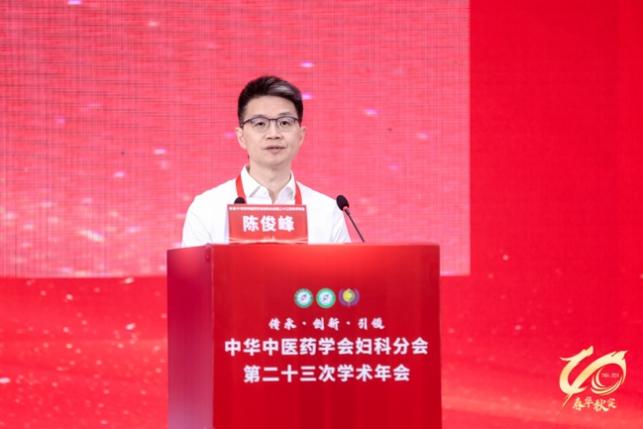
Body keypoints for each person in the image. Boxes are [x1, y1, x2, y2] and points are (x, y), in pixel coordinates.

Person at [181, 75, 350, 246]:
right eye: (260, 124)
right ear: (241, 137)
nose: (273, 134)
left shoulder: (328, 212)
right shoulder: (207, 209)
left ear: (300, 135)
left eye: (285, 122)